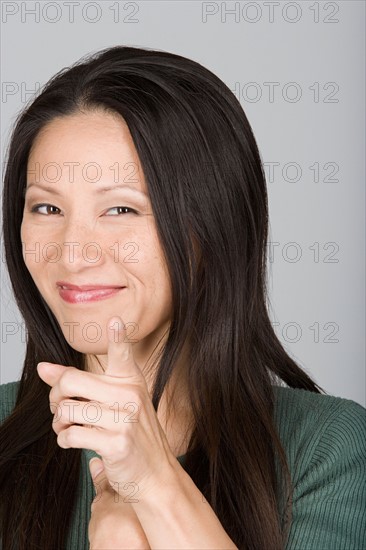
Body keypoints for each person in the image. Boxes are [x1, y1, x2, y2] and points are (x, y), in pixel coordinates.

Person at [0, 45, 365, 550]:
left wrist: (155, 488)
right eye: (45, 207)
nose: (73, 253)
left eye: (122, 210)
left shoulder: (328, 446)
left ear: (211, 227)